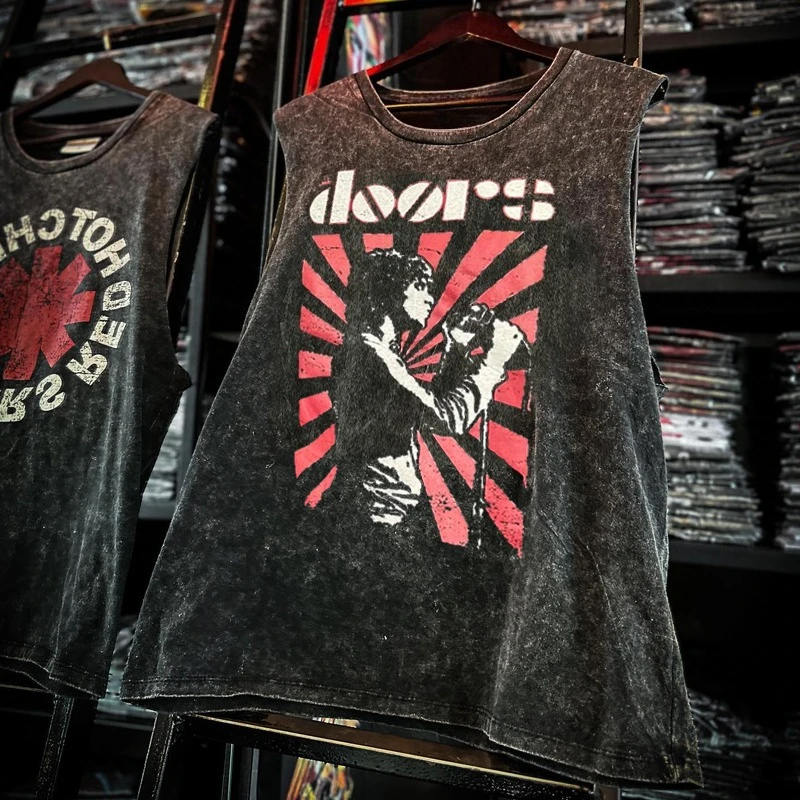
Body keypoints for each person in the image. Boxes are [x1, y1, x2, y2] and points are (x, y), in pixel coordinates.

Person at [332, 248, 524, 526]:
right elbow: (446, 418)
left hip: (381, 508)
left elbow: (427, 411)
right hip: (379, 513)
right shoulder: (374, 356)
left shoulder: (371, 351)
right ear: (387, 293)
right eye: (419, 286)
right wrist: (494, 361)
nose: (430, 298)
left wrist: (456, 348)